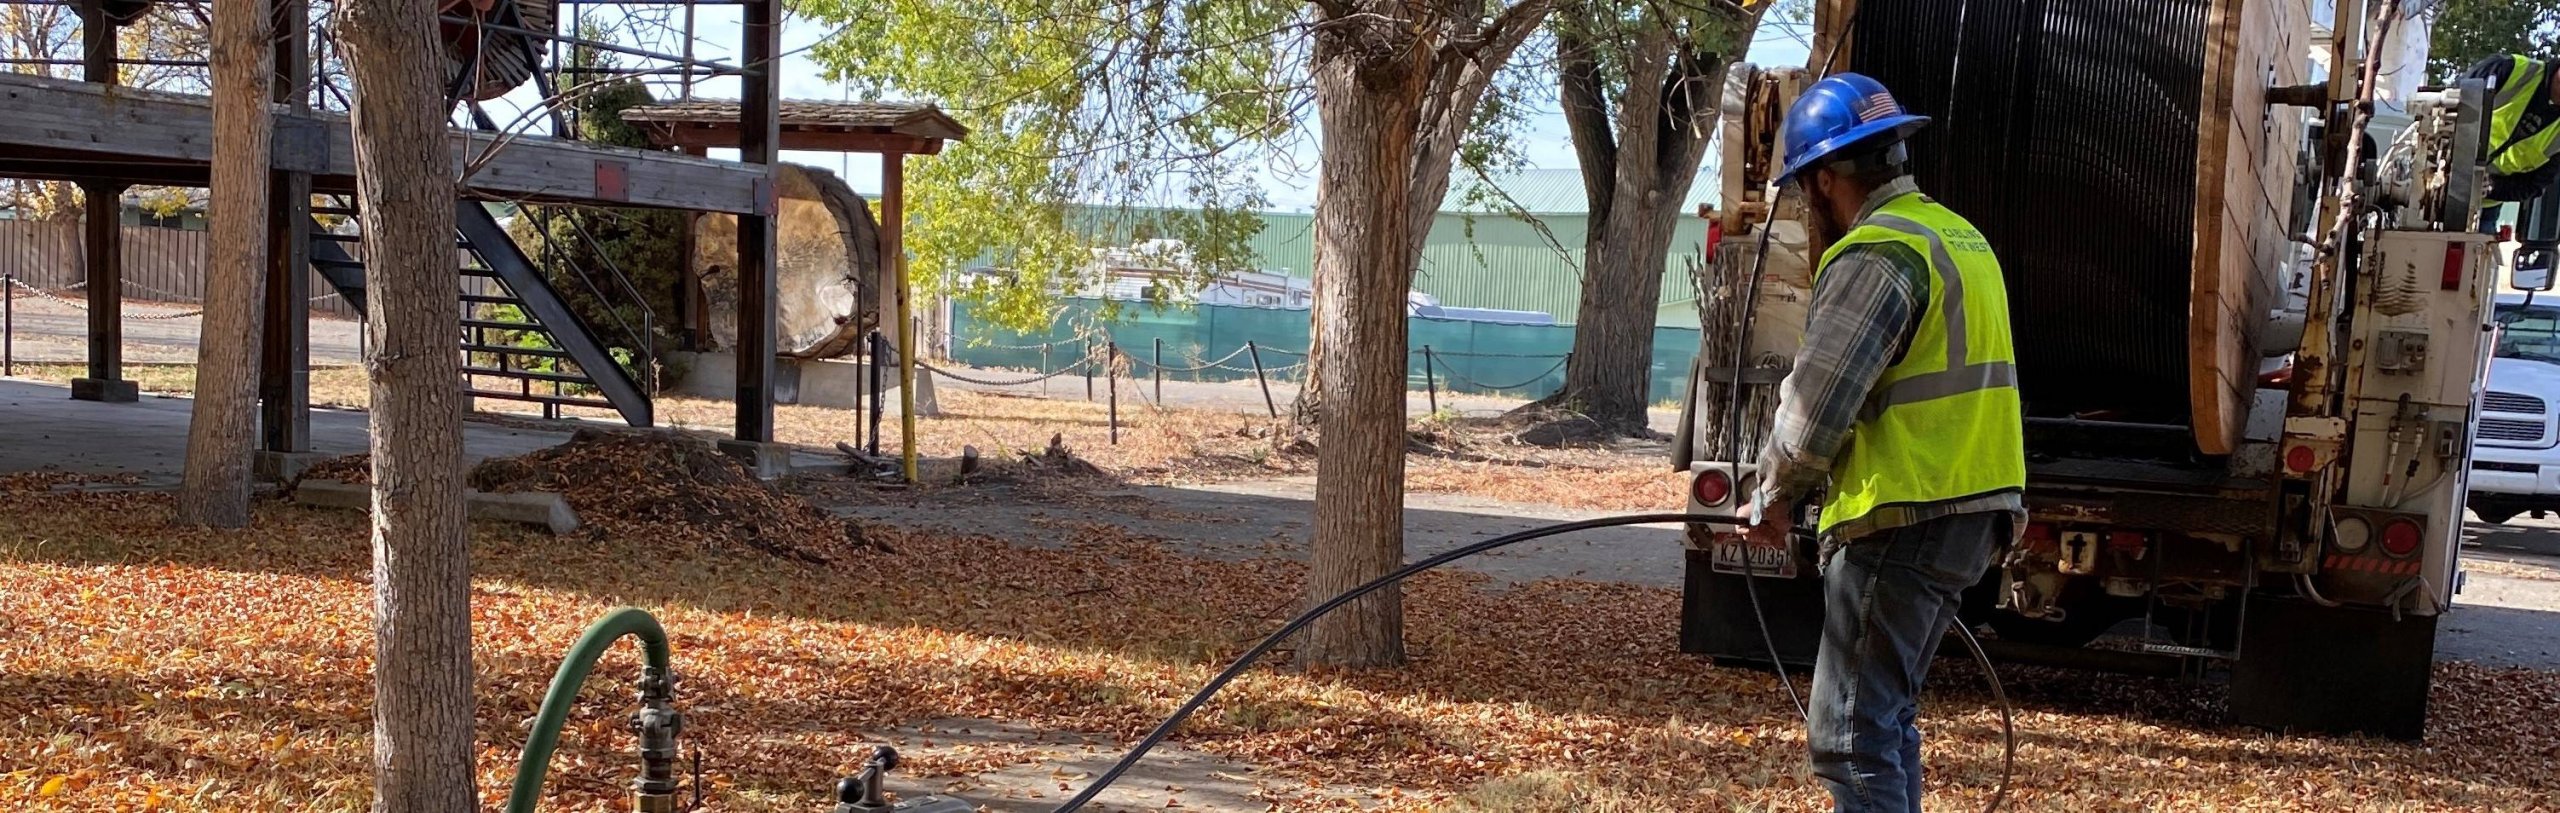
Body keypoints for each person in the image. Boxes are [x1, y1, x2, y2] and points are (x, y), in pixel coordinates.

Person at [1737, 73, 2027, 813]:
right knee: (1885, 717)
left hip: (1904, 512)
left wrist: (1772, 496)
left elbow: (1815, 406)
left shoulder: (1878, 254)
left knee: (1850, 734)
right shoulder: (1959, 238)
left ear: (1828, 179)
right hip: (1970, 509)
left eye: (1808, 188)